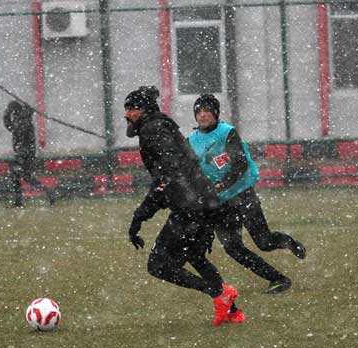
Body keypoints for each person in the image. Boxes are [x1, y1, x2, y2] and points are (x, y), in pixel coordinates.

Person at [124, 86, 239, 326]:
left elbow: (167, 179)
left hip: (191, 207)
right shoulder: (160, 125)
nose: (127, 114)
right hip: (203, 202)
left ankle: (219, 294)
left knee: (158, 265)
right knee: (195, 255)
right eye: (126, 109)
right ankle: (231, 311)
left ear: (144, 111)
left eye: (132, 109)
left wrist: (139, 217)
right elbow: (172, 175)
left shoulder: (152, 131)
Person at [188, 94, 306, 297]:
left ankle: (291, 243)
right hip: (220, 204)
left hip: (242, 195)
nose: (202, 115)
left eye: (207, 110)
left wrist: (221, 184)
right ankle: (278, 279)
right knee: (233, 248)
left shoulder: (227, 133)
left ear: (216, 114)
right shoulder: (191, 141)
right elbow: (188, 169)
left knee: (264, 241)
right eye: (199, 111)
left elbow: (240, 163)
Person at [3, 100, 56, 207]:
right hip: (27, 153)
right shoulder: (25, 121)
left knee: (18, 176)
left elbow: (10, 127)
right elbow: (10, 126)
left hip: (24, 154)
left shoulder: (21, 122)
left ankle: (20, 201)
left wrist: (7, 113)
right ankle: (46, 191)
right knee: (23, 177)